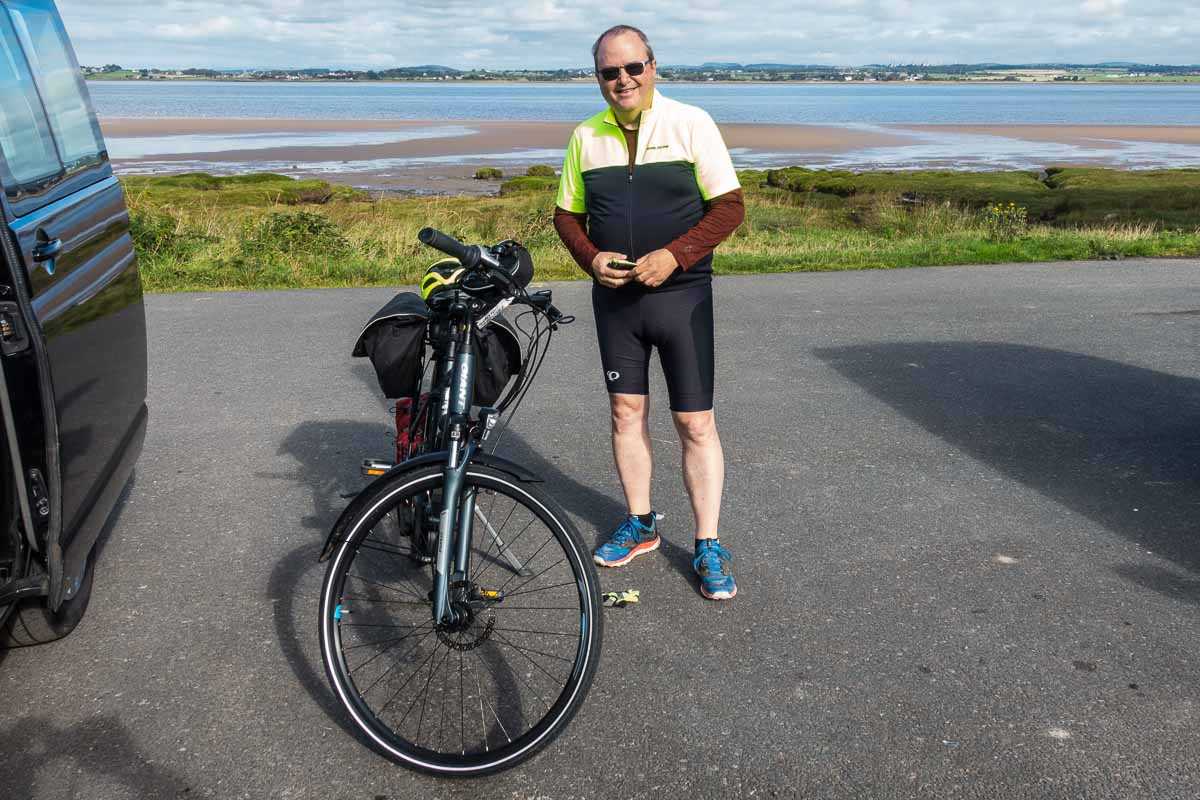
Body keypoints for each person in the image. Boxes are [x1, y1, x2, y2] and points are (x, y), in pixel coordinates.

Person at [553, 25, 745, 600]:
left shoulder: (692, 123)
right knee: (624, 413)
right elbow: (566, 216)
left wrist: (675, 255)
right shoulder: (585, 137)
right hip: (616, 302)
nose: (623, 80)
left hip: (680, 296)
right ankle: (640, 524)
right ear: (598, 78)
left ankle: (708, 543)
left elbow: (728, 209)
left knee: (695, 422)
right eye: (610, 72)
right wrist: (589, 258)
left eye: (633, 68)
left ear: (653, 67)